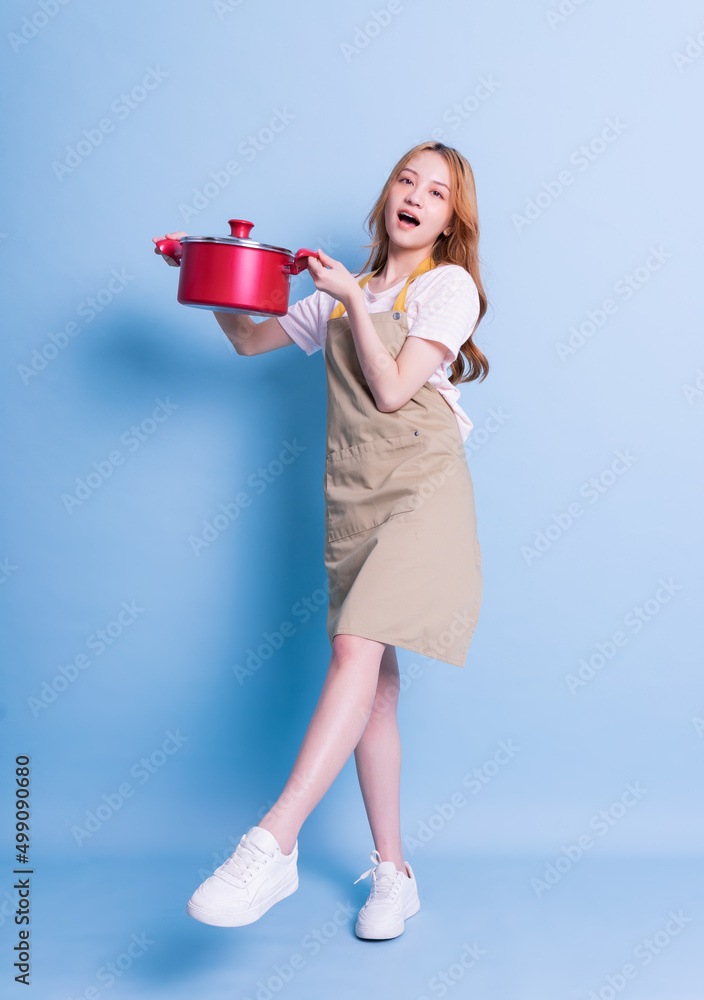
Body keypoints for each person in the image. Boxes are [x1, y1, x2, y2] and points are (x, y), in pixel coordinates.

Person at [152, 140, 489, 940]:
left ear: (449, 221)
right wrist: (207, 274)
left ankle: (273, 843)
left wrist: (353, 300)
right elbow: (249, 341)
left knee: (354, 653)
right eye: (406, 179)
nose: (415, 195)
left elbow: (394, 386)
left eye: (436, 192)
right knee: (373, 687)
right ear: (386, 196)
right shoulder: (346, 294)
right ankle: (393, 872)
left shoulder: (449, 287)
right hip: (352, 501)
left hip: (422, 498)